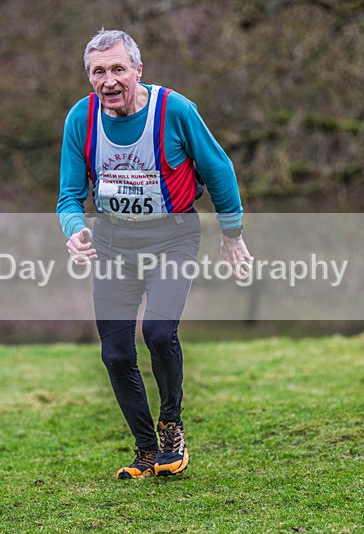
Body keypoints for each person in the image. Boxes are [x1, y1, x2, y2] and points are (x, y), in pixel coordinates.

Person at [56, 29, 252, 478]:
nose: (109, 80)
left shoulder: (175, 111)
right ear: (89, 77)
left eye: (118, 69)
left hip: (172, 236)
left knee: (160, 333)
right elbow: (69, 195)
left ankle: (171, 429)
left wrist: (232, 233)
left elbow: (219, 169)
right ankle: (146, 451)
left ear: (138, 70)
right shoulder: (80, 120)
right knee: (116, 353)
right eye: (98, 72)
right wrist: (73, 230)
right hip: (111, 241)